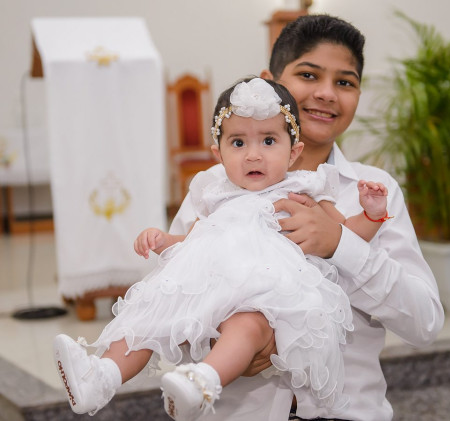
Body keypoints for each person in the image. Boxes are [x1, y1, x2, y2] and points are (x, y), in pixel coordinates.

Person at [53, 76, 394, 421]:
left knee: (247, 327)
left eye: (269, 141)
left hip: (268, 295)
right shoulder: (216, 193)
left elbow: (344, 235)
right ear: (218, 153)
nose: (253, 155)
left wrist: (371, 215)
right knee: (148, 315)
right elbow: (196, 240)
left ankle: (202, 382)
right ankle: (102, 376)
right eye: (238, 143)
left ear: (294, 152)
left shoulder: (303, 190)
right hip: (209, 283)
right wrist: (164, 241)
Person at [170, 14, 445, 421]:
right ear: (268, 83)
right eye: (309, 75)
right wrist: (222, 343)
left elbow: (425, 323)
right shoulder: (214, 189)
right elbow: (166, 306)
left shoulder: (372, 192)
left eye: (345, 82)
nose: (327, 94)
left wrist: (341, 244)